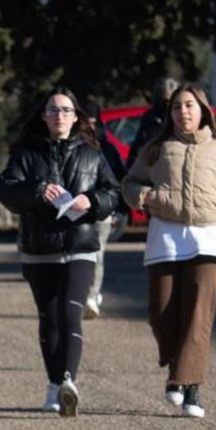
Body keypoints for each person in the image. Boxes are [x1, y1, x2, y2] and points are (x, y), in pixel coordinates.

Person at [122, 84, 216, 418]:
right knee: (161, 314)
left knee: (197, 315)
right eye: (177, 107)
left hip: (211, 240)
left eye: (189, 105)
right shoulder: (156, 149)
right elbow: (129, 183)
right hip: (166, 237)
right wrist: (145, 197)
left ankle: (190, 389)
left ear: (203, 110)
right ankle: (176, 371)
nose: (183, 112)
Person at [0, 87, 121, 417]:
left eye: (66, 110)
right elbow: (7, 191)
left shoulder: (92, 154)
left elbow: (112, 193)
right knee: (48, 318)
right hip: (39, 247)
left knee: (70, 312)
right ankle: (53, 384)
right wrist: (37, 191)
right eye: (53, 110)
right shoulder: (26, 153)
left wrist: (91, 201)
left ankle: (69, 382)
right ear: (43, 116)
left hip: (80, 246)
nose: (59, 116)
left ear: (77, 116)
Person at [81, 98, 128, 319]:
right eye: (84, 122)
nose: (89, 127)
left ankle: (91, 296)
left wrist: (120, 211)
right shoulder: (71, 148)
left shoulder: (108, 149)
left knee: (96, 254)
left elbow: (119, 181)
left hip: (102, 211)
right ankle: (78, 296)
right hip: (74, 211)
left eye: (92, 122)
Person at [126, 76, 181, 169]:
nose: (168, 106)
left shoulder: (184, 121)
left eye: (173, 102)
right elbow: (135, 156)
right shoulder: (149, 122)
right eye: (165, 102)